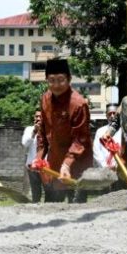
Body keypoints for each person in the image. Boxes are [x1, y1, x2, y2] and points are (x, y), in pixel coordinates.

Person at [36, 58, 92, 203]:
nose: (56, 85)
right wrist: (39, 157)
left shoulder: (78, 104)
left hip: (76, 163)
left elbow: (80, 139)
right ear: (46, 80)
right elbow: (42, 131)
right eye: (51, 80)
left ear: (69, 79)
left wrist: (67, 163)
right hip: (54, 162)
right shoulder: (45, 99)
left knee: (77, 207)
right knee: (52, 205)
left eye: (61, 80)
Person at [21, 109, 43, 202]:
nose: (38, 118)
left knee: (49, 190)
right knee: (35, 191)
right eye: (36, 116)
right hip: (32, 166)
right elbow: (24, 144)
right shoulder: (29, 129)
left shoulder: (50, 130)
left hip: (46, 166)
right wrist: (34, 132)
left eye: (40, 117)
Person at [93, 102, 122, 169]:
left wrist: (117, 165)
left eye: (114, 113)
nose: (112, 116)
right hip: (104, 168)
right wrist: (105, 165)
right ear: (106, 116)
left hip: (121, 167)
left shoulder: (122, 131)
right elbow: (96, 150)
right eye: (109, 114)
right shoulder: (100, 131)